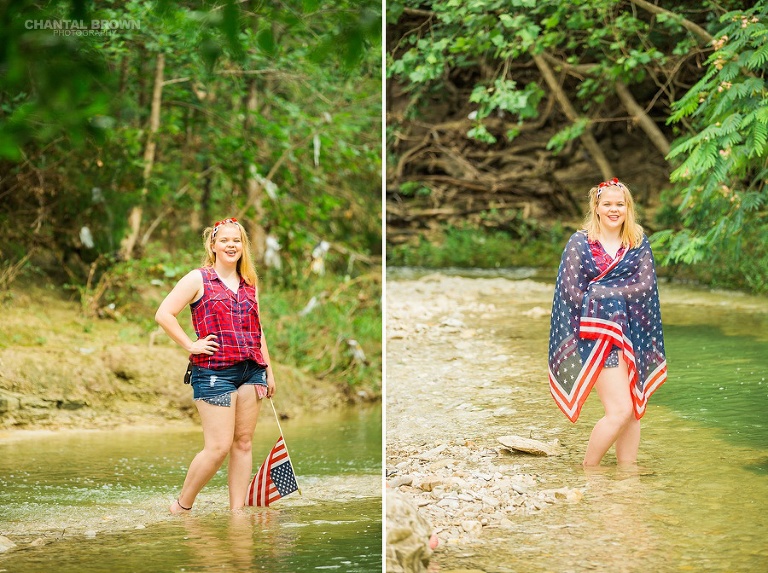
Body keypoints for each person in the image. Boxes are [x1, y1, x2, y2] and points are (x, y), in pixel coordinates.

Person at [155, 217, 276, 513]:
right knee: (218, 447)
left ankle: (237, 514)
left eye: (236, 241)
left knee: (244, 443)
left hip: (252, 371)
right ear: (213, 245)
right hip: (213, 373)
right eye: (225, 240)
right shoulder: (198, 278)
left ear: (243, 246)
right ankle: (182, 507)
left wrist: (269, 371)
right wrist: (190, 344)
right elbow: (164, 314)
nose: (231, 245)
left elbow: (257, 330)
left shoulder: (250, 283)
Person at [548, 178, 667, 467]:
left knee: (634, 411)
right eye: (607, 204)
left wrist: (604, 292)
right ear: (597, 208)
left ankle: (628, 478)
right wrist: (603, 305)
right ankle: (590, 471)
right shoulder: (580, 242)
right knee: (619, 410)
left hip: (631, 333)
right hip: (594, 336)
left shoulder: (637, 241)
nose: (614, 209)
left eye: (620, 204)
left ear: (628, 208)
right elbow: (570, 292)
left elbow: (646, 285)